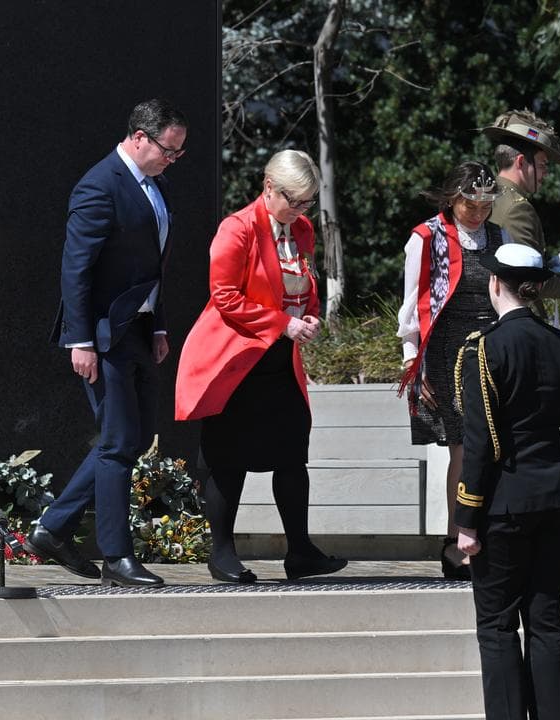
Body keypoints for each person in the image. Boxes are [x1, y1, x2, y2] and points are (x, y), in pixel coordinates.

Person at [23, 99, 186, 587]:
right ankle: (116, 557)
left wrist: (156, 324)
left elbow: (151, 266)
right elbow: (76, 269)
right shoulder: (99, 184)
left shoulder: (150, 186)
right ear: (139, 137)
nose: (172, 160)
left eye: (179, 153)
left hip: (136, 330)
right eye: (167, 150)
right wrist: (80, 340)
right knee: (116, 443)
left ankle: (51, 529)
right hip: (101, 334)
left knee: (131, 440)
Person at [175, 149, 347, 583]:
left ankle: (301, 551)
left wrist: (309, 314)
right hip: (237, 357)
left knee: (292, 455)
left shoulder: (302, 229)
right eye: (295, 200)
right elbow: (225, 298)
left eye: (308, 202)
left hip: (280, 358)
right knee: (227, 458)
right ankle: (221, 553)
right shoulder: (236, 229)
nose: (301, 210)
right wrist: (283, 323)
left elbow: (304, 285)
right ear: (269, 188)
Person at [455, 243, 560, 719]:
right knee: (547, 621)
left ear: (496, 284)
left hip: (503, 507)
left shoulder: (485, 347)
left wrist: (466, 519)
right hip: (558, 500)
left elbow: (481, 444)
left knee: (496, 627)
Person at [396, 161, 508, 580]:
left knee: (498, 445)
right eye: (469, 203)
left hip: (494, 349)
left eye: (485, 203)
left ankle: (492, 533)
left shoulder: (500, 237)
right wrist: (413, 361)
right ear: (452, 198)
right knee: (463, 448)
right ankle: (456, 539)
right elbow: (413, 304)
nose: (478, 212)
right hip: (446, 351)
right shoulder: (426, 237)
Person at [483, 110, 560, 336]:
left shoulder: (486, 194)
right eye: (542, 164)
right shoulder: (517, 208)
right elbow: (525, 279)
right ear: (521, 162)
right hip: (512, 328)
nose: (545, 174)